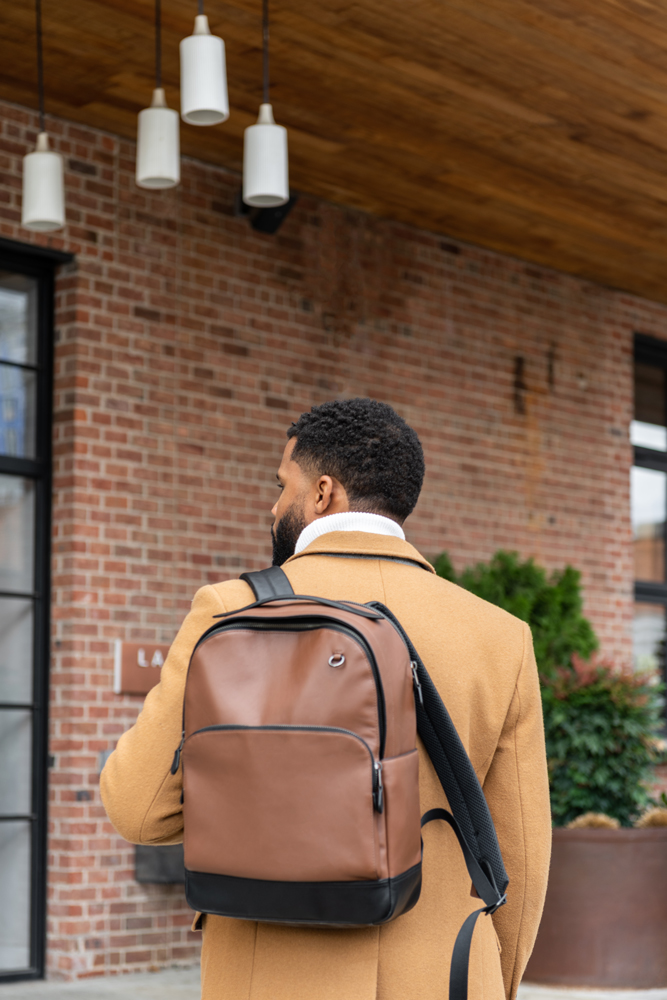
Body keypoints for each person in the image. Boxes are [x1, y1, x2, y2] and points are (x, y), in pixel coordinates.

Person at [101, 397, 551, 1000]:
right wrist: (493, 980)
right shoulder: (500, 636)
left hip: (268, 978)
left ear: (321, 493)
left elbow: (139, 807)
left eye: (281, 485)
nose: (273, 505)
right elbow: (520, 861)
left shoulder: (230, 611)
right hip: (441, 975)